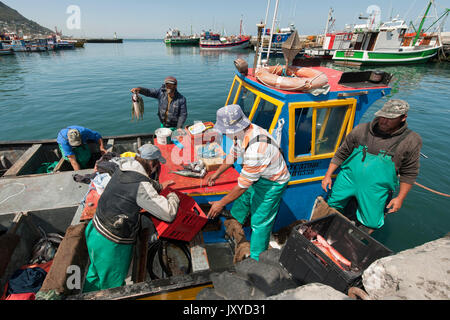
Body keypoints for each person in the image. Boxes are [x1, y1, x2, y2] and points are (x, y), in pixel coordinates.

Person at [83, 143, 179, 293]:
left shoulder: (124, 165)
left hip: (94, 230)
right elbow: (168, 214)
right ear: (152, 163)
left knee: (94, 274)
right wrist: (173, 196)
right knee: (112, 289)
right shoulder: (141, 185)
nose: (156, 168)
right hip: (112, 243)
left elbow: (138, 180)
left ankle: (87, 295)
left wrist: (159, 186)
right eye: (157, 164)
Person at [321, 99, 422, 234]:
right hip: (348, 178)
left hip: (376, 187)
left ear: (403, 118)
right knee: (332, 205)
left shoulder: (411, 140)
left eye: (390, 118)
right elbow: (342, 152)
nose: (384, 121)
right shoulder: (361, 130)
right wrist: (328, 175)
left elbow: (410, 173)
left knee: (372, 222)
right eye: (382, 116)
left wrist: (400, 198)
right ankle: (324, 231)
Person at [207, 104, 291, 261]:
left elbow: (242, 186)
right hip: (258, 176)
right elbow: (233, 154)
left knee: (260, 221)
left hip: (273, 183)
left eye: (225, 131)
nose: (224, 134)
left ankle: (256, 259)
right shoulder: (244, 132)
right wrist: (217, 173)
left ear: (232, 129)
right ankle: (235, 230)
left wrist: (220, 203)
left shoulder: (256, 149)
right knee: (242, 202)